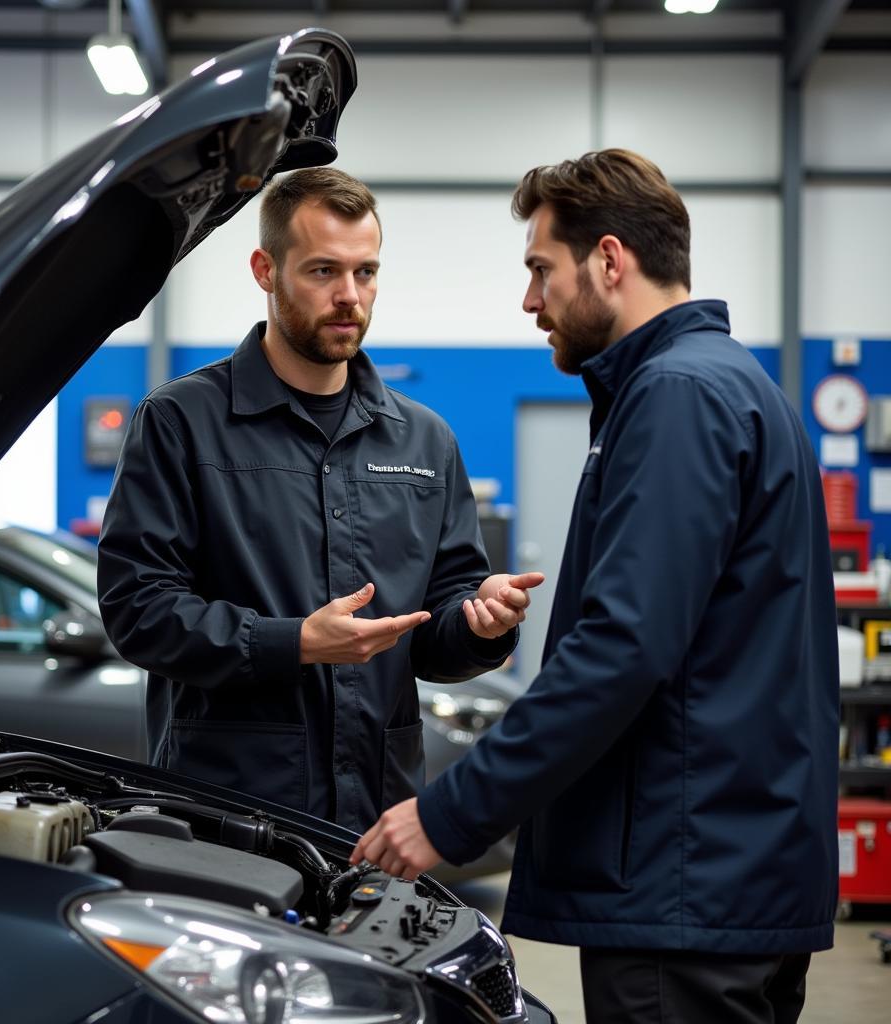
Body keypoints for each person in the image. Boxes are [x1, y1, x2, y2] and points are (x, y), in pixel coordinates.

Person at [352, 149, 840, 1023]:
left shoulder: (678, 397)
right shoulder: (738, 388)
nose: (530, 301)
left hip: (682, 887)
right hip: (734, 874)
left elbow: (622, 649)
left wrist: (449, 813)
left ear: (609, 260)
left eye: (541, 269)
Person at [97, 167, 544, 834]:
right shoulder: (181, 422)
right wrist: (295, 642)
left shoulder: (424, 439)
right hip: (225, 811)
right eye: (323, 272)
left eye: (365, 273)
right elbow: (139, 610)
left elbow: (435, 631)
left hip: (377, 814)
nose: (349, 296)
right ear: (265, 270)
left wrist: (482, 626)